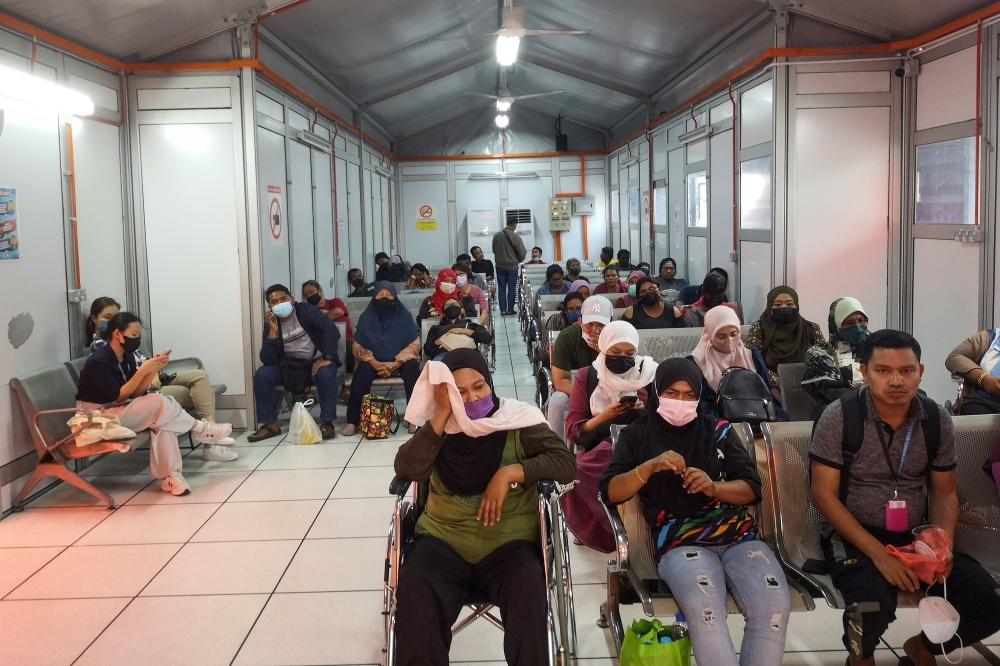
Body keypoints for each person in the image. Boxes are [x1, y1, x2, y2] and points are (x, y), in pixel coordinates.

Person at [810, 330, 1000, 666]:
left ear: (921, 372)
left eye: (906, 371)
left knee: (987, 603)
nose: (896, 380)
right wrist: (880, 556)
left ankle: (922, 648)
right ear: (864, 371)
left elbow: (945, 492)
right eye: (883, 371)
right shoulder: (840, 417)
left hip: (916, 536)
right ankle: (860, 657)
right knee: (870, 604)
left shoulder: (935, 419)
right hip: (855, 536)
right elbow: (823, 496)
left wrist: (941, 547)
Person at [393, 349, 577, 666]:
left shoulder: (517, 420)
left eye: (479, 386)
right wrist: (441, 415)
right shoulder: (440, 430)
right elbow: (406, 468)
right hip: (443, 543)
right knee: (415, 579)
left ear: (490, 382)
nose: (473, 397)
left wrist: (510, 473)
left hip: (510, 546)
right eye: (459, 392)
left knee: (528, 585)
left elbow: (565, 464)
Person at [601, 358, 790, 666]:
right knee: (706, 614)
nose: (682, 401)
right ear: (657, 391)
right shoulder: (637, 435)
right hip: (680, 541)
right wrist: (647, 468)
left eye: (690, 395)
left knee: (773, 608)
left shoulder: (717, 430)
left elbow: (752, 489)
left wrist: (714, 487)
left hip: (739, 537)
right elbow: (609, 491)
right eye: (673, 392)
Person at [76, 312, 236, 495]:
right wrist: (143, 369)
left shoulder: (125, 356)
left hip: (117, 410)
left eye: (138, 335)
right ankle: (201, 429)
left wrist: (153, 369)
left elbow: (135, 393)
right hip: (96, 417)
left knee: (163, 417)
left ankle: (170, 476)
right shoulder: (99, 360)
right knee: (160, 402)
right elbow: (118, 396)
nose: (136, 339)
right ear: (118, 334)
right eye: (134, 335)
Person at [562, 322, 657, 552]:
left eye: (629, 353)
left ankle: (646, 529)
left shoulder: (649, 371)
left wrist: (645, 410)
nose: (622, 358)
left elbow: (662, 416)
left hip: (641, 440)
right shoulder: (588, 376)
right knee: (578, 473)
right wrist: (605, 415)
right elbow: (574, 430)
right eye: (615, 353)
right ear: (604, 349)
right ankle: (614, 530)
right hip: (602, 442)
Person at [86, 297, 232, 441]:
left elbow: (140, 362)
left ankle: (209, 434)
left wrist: (156, 364)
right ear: (94, 318)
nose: (112, 321)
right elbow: (123, 387)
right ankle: (211, 440)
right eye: (107, 317)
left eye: (116, 317)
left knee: (200, 376)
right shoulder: (102, 347)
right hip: (144, 389)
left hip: (155, 379)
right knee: (199, 393)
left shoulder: (127, 339)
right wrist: (148, 371)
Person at [250, 284, 342, 442]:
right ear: (270, 307)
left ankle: (327, 422)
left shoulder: (306, 310)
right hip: (289, 368)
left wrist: (327, 358)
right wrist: (273, 332)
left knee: (326, 374)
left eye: (283, 299)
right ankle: (270, 425)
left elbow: (330, 329)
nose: (280, 304)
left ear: (292, 300)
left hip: (315, 362)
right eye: (274, 302)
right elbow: (268, 360)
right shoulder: (272, 323)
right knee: (262, 375)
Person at [342, 282, 422, 437]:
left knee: (412, 369)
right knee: (361, 373)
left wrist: (397, 363)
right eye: (380, 294)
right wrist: (373, 362)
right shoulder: (366, 317)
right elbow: (357, 346)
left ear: (395, 296)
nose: (384, 297)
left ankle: (415, 418)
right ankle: (353, 421)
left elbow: (414, 344)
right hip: (373, 361)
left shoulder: (404, 316)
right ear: (374, 297)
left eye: (388, 294)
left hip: (401, 361)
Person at [689, 306, 787, 420]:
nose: (729, 341)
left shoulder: (751, 357)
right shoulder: (697, 362)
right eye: (721, 336)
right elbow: (700, 406)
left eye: (733, 334)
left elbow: (767, 394)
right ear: (710, 334)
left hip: (757, 414)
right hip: (718, 421)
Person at [548, 295, 612, 439]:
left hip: (612, 388)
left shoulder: (617, 338)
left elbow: (624, 372)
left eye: (601, 324)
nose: (595, 330)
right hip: (577, 390)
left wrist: (604, 353)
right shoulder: (567, 338)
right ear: (580, 321)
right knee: (558, 400)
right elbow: (560, 381)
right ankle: (558, 450)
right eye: (589, 324)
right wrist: (585, 395)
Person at [745, 286, 824, 390]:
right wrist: (781, 382)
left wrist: (807, 381)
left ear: (797, 305)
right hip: (770, 388)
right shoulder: (759, 329)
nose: (784, 307)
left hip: (808, 387)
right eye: (777, 304)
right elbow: (754, 364)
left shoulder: (811, 329)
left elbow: (823, 361)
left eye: (790, 304)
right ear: (770, 307)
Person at [801, 298, 870, 414]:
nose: (857, 327)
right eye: (849, 323)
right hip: (839, 417)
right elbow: (838, 393)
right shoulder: (819, 353)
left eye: (861, 320)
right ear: (835, 324)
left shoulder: (879, 347)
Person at [944, 327, 1000, 415]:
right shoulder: (991, 338)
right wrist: (983, 378)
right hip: (980, 402)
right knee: (976, 414)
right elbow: (954, 358)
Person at [424, 297, 491, 362]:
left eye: (454, 304)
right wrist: (440, 340)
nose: (451, 307)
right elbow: (427, 350)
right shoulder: (436, 328)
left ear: (462, 310)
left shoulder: (470, 325)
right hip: (444, 356)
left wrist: (464, 331)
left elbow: (487, 338)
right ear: (444, 314)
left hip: (467, 354)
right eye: (447, 306)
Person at [538, 292, 584, 367]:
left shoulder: (589, 322)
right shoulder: (555, 321)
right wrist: (572, 330)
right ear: (565, 310)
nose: (575, 312)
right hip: (558, 360)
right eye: (571, 309)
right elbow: (546, 350)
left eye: (579, 308)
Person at [492, 216, 527, 316]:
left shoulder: (497, 235)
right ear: (514, 224)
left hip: (499, 265)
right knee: (512, 288)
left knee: (501, 287)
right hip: (512, 267)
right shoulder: (516, 237)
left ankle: (503, 310)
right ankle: (510, 309)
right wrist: (518, 260)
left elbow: (494, 250)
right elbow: (522, 252)